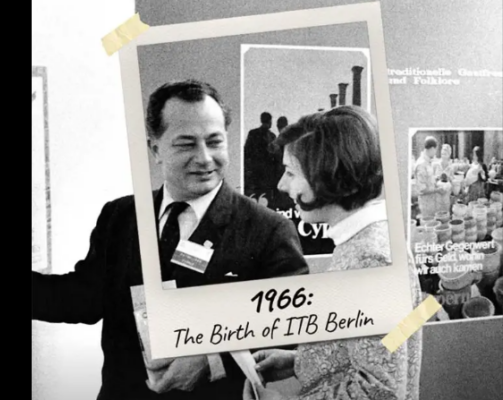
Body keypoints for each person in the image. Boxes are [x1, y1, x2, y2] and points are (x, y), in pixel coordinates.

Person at [32, 79, 309, 400]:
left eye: (215, 142)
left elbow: (290, 327)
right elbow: (83, 298)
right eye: (186, 144)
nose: (205, 158)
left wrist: (214, 362)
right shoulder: (120, 216)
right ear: (155, 149)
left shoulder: (269, 229)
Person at [243, 106, 423, 400]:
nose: (281, 185)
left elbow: (381, 392)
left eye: (291, 173)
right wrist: (300, 362)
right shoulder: (368, 241)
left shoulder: (371, 259)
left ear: (329, 176)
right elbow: (376, 352)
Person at [244, 112, 282, 198]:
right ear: (270, 121)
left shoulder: (253, 133)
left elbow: (247, 151)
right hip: (265, 173)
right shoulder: (271, 136)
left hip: (258, 172)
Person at [413, 136, 444, 219]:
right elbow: (422, 189)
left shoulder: (427, 162)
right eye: (435, 150)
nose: (435, 153)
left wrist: (436, 179)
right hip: (426, 204)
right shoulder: (421, 164)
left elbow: (428, 180)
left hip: (431, 202)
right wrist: (437, 190)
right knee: (429, 223)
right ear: (432, 149)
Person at [432, 143, 454, 213]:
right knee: (437, 214)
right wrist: (437, 178)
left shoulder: (450, 168)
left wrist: (448, 179)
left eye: (445, 153)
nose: (443, 155)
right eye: (442, 153)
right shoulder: (435, 165)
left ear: (449, 155)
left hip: (446, 197)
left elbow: (452, 183)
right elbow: (430, 180)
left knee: (445, 214)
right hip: (437, 196)